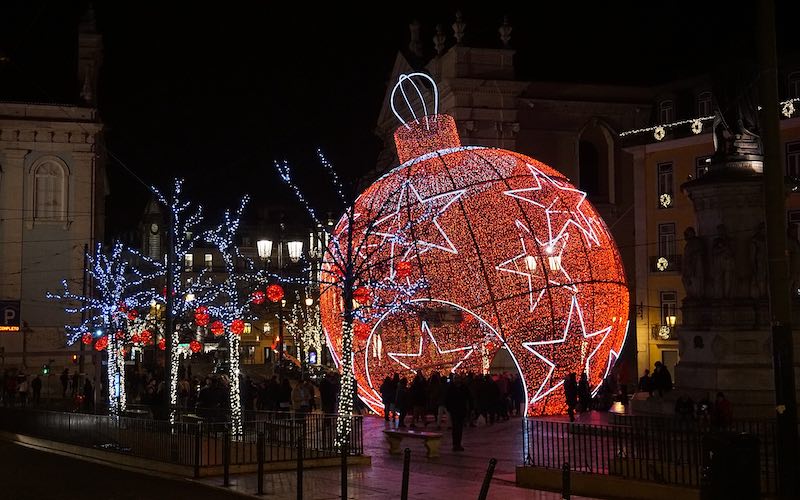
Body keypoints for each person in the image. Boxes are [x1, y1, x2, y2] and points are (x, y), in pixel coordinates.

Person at [445, 375, 468, 451]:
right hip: (454, 410)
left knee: (459, 428)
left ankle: (458, 444)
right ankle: (455, 444)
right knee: (455, 428)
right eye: (456, 379)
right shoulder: (451, 388)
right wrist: (449, 408)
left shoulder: (463, 387)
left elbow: (468, 398)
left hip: (461, 410)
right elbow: (447, 399)